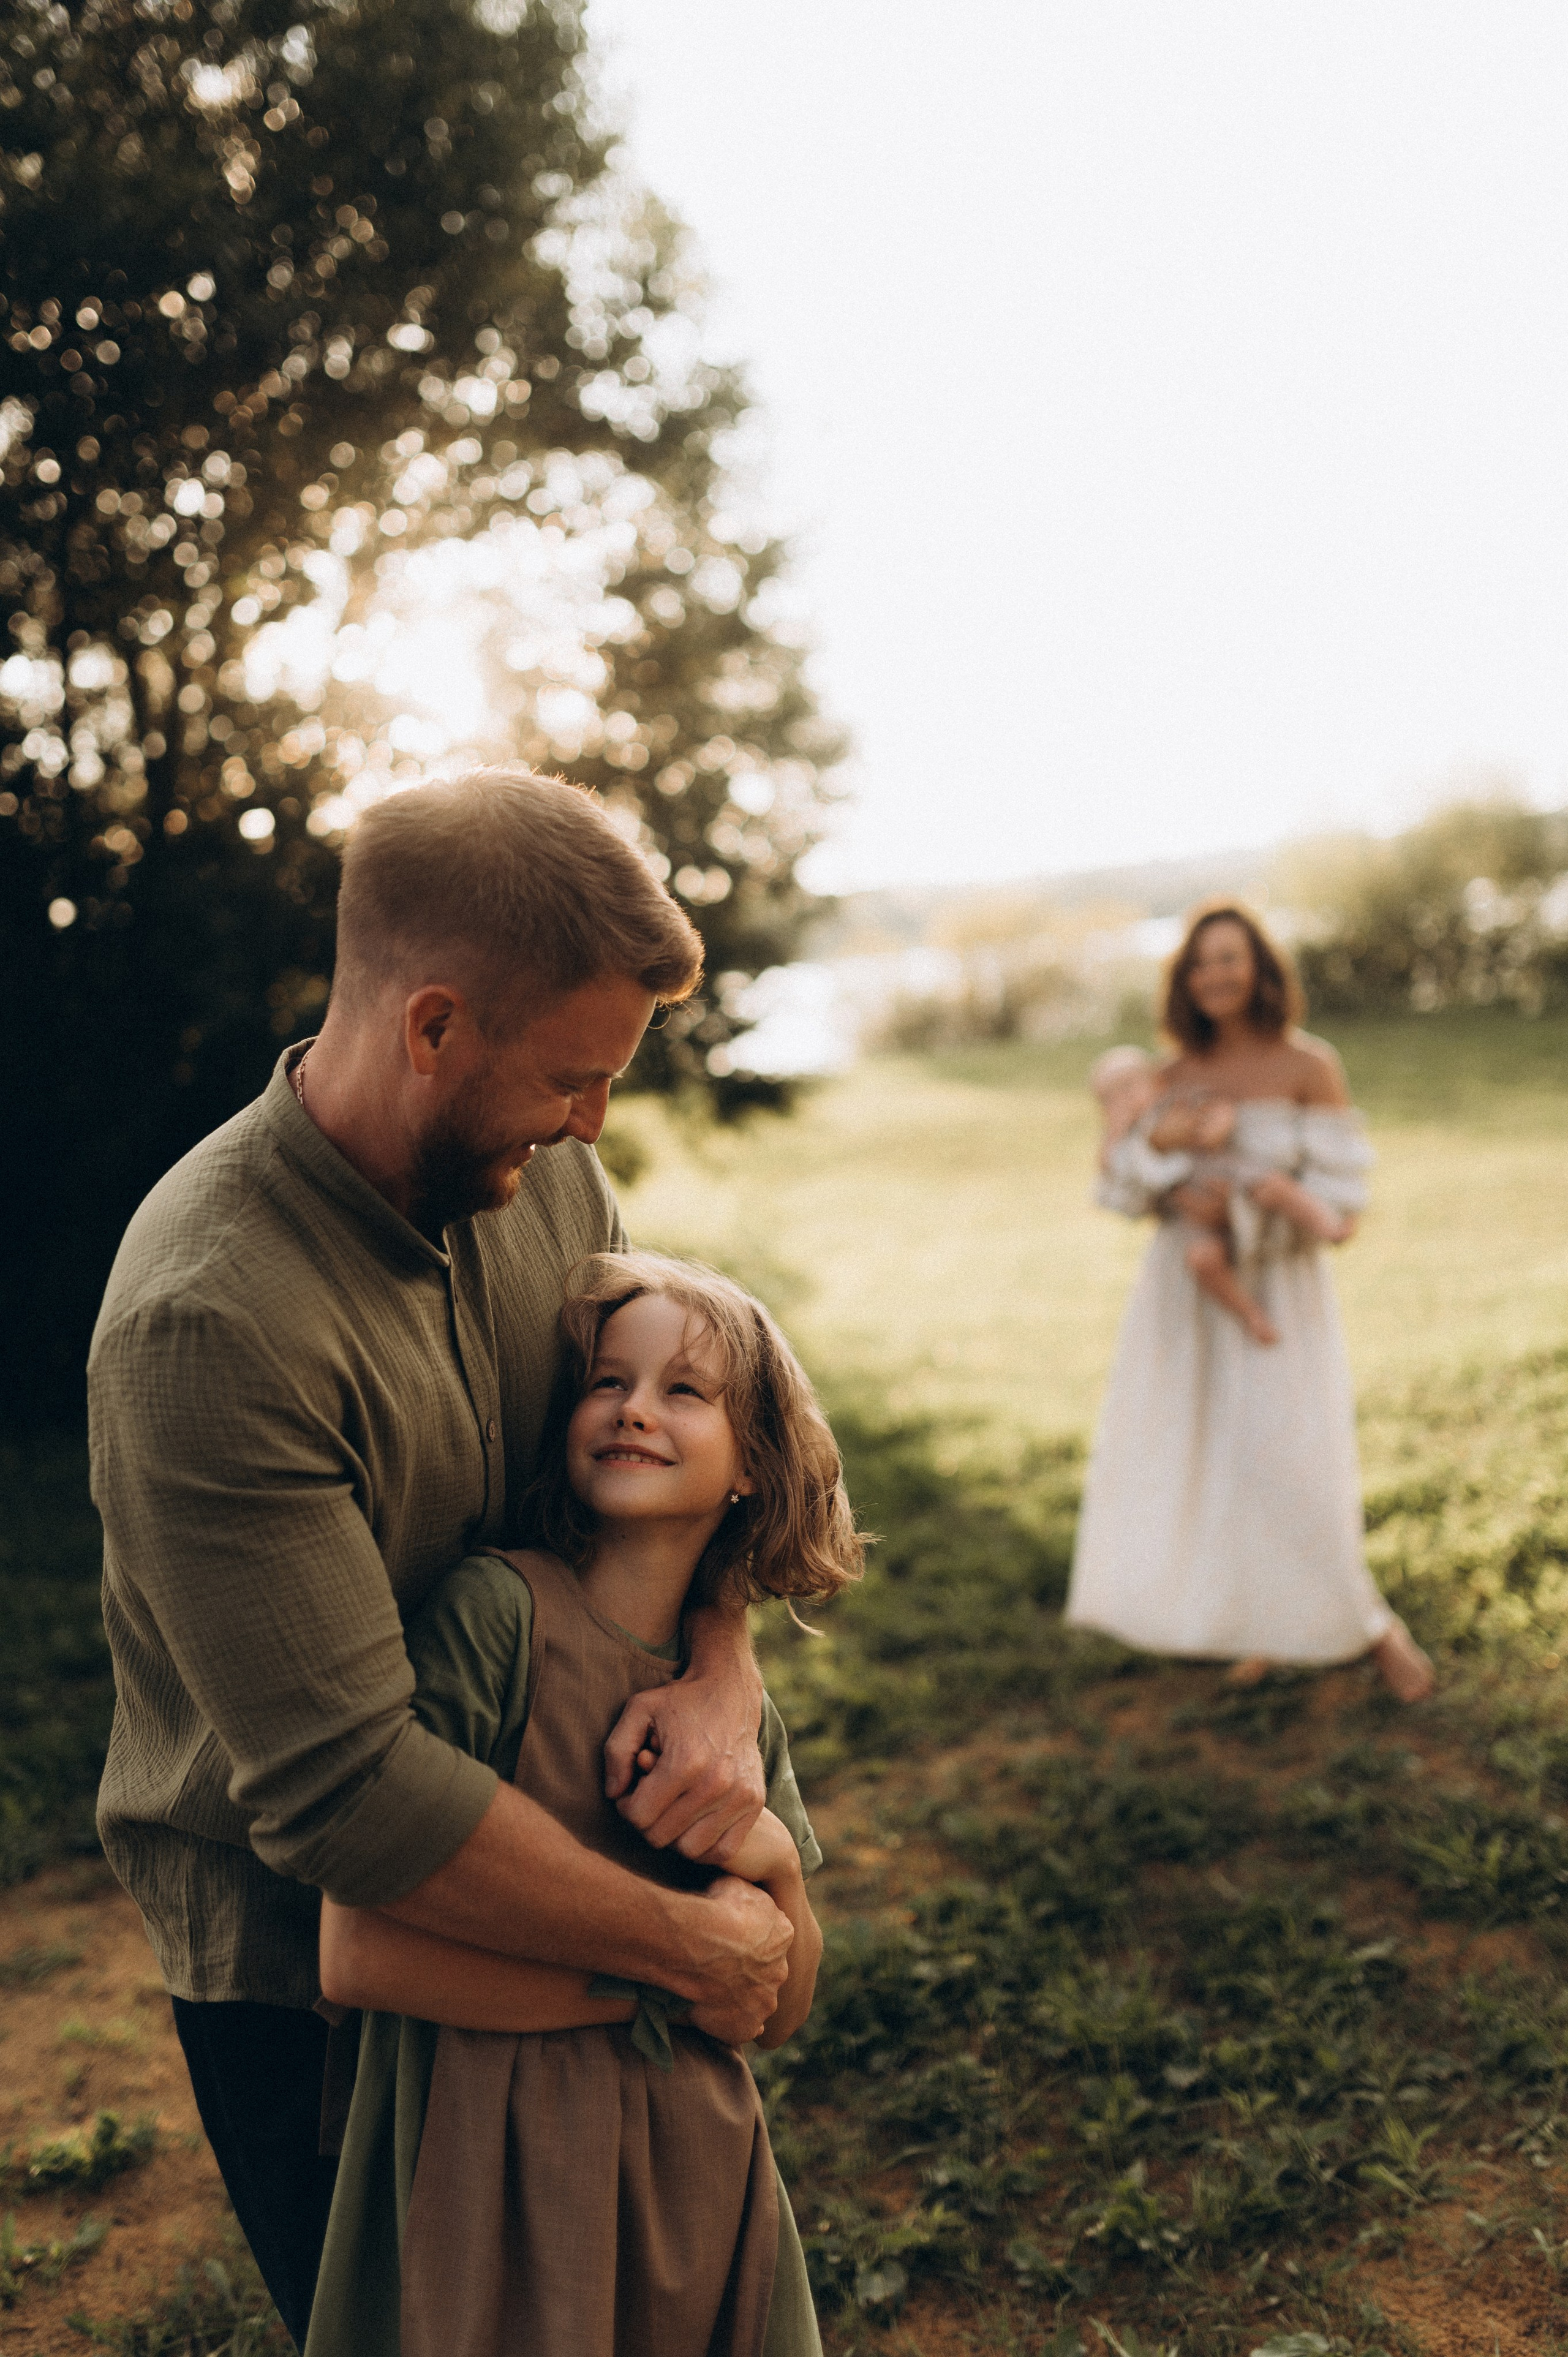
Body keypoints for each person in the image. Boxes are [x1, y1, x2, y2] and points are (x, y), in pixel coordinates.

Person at [89, 772, 794, 2352]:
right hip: (315, 1961)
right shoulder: (208, 1317)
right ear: (430, 1026)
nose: (592, 1124)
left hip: (561, 1866)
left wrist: (722, 1660)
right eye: (570, 1076)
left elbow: (644, 1480)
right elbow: (346, 1793)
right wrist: (687, 1948)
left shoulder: (547, 1178)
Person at [304, 1251, 859, 2357]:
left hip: (692, 2167)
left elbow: (777, 2009)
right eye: (608, 1381)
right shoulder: (495, 1615)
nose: (634, 1410)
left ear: (752, 1463)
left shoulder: (733, 1715)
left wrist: (777, 1867)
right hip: (485, 2158)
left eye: (683, 1390)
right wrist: (661, 1975)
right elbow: (359, 1959)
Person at [1068, 904, 1434, 1700]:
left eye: (1229, 960)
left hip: (1276, 1285)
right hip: (1187, 1293)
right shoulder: (1169, 1072)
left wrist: (1247, 1211)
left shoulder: (1310, 1066)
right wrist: (1170, 1175)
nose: (1216, 977)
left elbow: (1344, 1211)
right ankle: (1261, 1621)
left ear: (1261, 969)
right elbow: (1118, 1186)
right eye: (1201, 965)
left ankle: (1372, 1629)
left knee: (1291, 1459)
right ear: (1185, 981)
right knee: (1215, 1462)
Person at [1090, 1046, 1366, 1348]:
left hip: (1227, 1173)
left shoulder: (1176, 1101)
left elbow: (1219, 1114)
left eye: (1131, 1085)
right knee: (1202, 1259)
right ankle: (1250, 1314)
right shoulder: (1126, 1139)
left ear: (1154, 1080)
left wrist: (1204, 1129)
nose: (1125, 1098)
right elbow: (1112, 1173)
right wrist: (1116, 1130)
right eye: (1110, 1096)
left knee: (1274, 1186)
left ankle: (1327, 1224)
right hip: (1187, 1210)